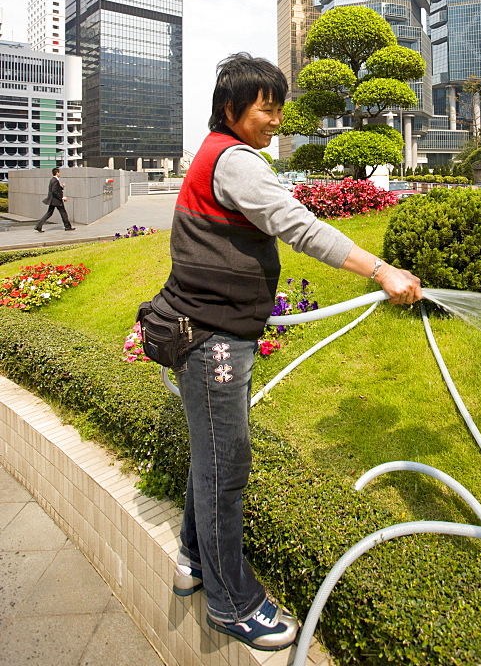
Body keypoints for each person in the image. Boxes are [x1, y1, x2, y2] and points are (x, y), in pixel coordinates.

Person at [157, 53, 422, 653]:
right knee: (228, 467)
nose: (277, 119)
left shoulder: (213, 152)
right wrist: (380, 269)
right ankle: (230, 602)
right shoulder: (235, 161)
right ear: (233, 109)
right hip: (212, 337)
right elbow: (298, 225)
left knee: (214, 455)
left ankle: (194, 560)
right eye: (266, 107)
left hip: (206, 328)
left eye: (279, 106)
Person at [34, 167, 75, 233]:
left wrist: (61, 187)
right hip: (56, 200)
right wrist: (61, 198)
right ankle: (67, 227)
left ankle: (38, 226)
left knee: (49, 213)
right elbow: (54, 191)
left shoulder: (52, 180)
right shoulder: (55, 180)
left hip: (53, 200)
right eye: (59, 172)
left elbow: (55, 189)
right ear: (57, 173)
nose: (60, 173)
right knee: (63, 213)